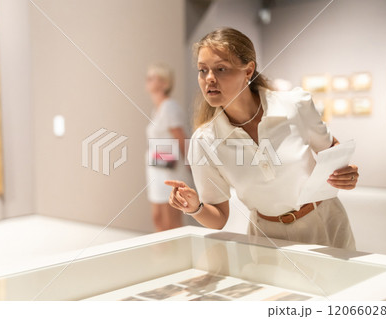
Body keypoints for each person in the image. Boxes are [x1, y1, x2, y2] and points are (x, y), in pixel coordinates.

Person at [165, 28, 358, 249]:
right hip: (267, 240)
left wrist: (347, 173)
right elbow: (218, 218)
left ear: (248, 71)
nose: (209, 79)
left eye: (221, 69)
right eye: (202, 70)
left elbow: (332, 151)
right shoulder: (204, 141)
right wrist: (194, 207)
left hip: (326, 224)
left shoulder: (294, 105)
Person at [145, 62, 193, 232]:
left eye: (153, 77)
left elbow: (181, 138)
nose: (147, 80)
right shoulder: (157, 109)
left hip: (170, 170)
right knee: (157, 217)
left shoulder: (170, 107)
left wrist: (190, 166)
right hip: (156, 168)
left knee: (171, 221)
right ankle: (162, 256)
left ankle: (179, 257)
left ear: (164, 83)